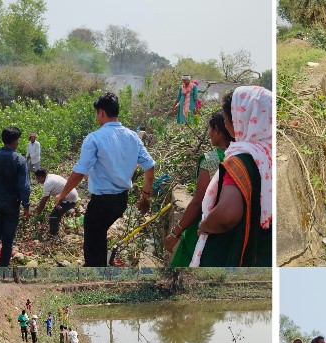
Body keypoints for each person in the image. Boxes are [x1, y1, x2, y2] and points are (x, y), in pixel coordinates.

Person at [55, 93, 155, 267]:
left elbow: (79, 172)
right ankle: (102, 267)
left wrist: (62, 195)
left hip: (102, 203)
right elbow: (150, 167)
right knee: (99, 236)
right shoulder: (132, 136)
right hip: (121, 200)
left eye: (97, 113)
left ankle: (96, 278)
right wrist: (146, 195)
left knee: (93, 243)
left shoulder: (94, 138)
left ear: (101, 112)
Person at [190, 87, 273, 267]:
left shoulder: (241, 160)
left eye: (228, 118)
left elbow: (227, 215)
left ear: (241, 119)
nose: (226, 124)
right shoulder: (270, 153)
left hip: (238, 254)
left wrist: (204, 226)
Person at [166, 112, 233, 266]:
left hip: (204, 227)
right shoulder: (245, 156)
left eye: (210, 130)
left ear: (216, 130)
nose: (209, 135)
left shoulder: (210, 160)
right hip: (230, 230)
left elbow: (198, 202)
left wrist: (175, 233)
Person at [0, 127, 31, 267]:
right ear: (15, 142)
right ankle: (3, 270)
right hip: (12, 204)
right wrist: (26, 206)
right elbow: (24, 187)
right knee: (8, 240)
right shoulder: (20, 160)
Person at [34, 168, 79, 237]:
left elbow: (43, 201)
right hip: (70, 195)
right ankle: (58, 222)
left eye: (38, 179)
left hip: (70, 200)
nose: (38, 181)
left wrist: (37, 214)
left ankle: (54, 234)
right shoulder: (51, 176)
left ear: (41, 177)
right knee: (57, 212)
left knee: (53, 216)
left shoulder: (47, 183)